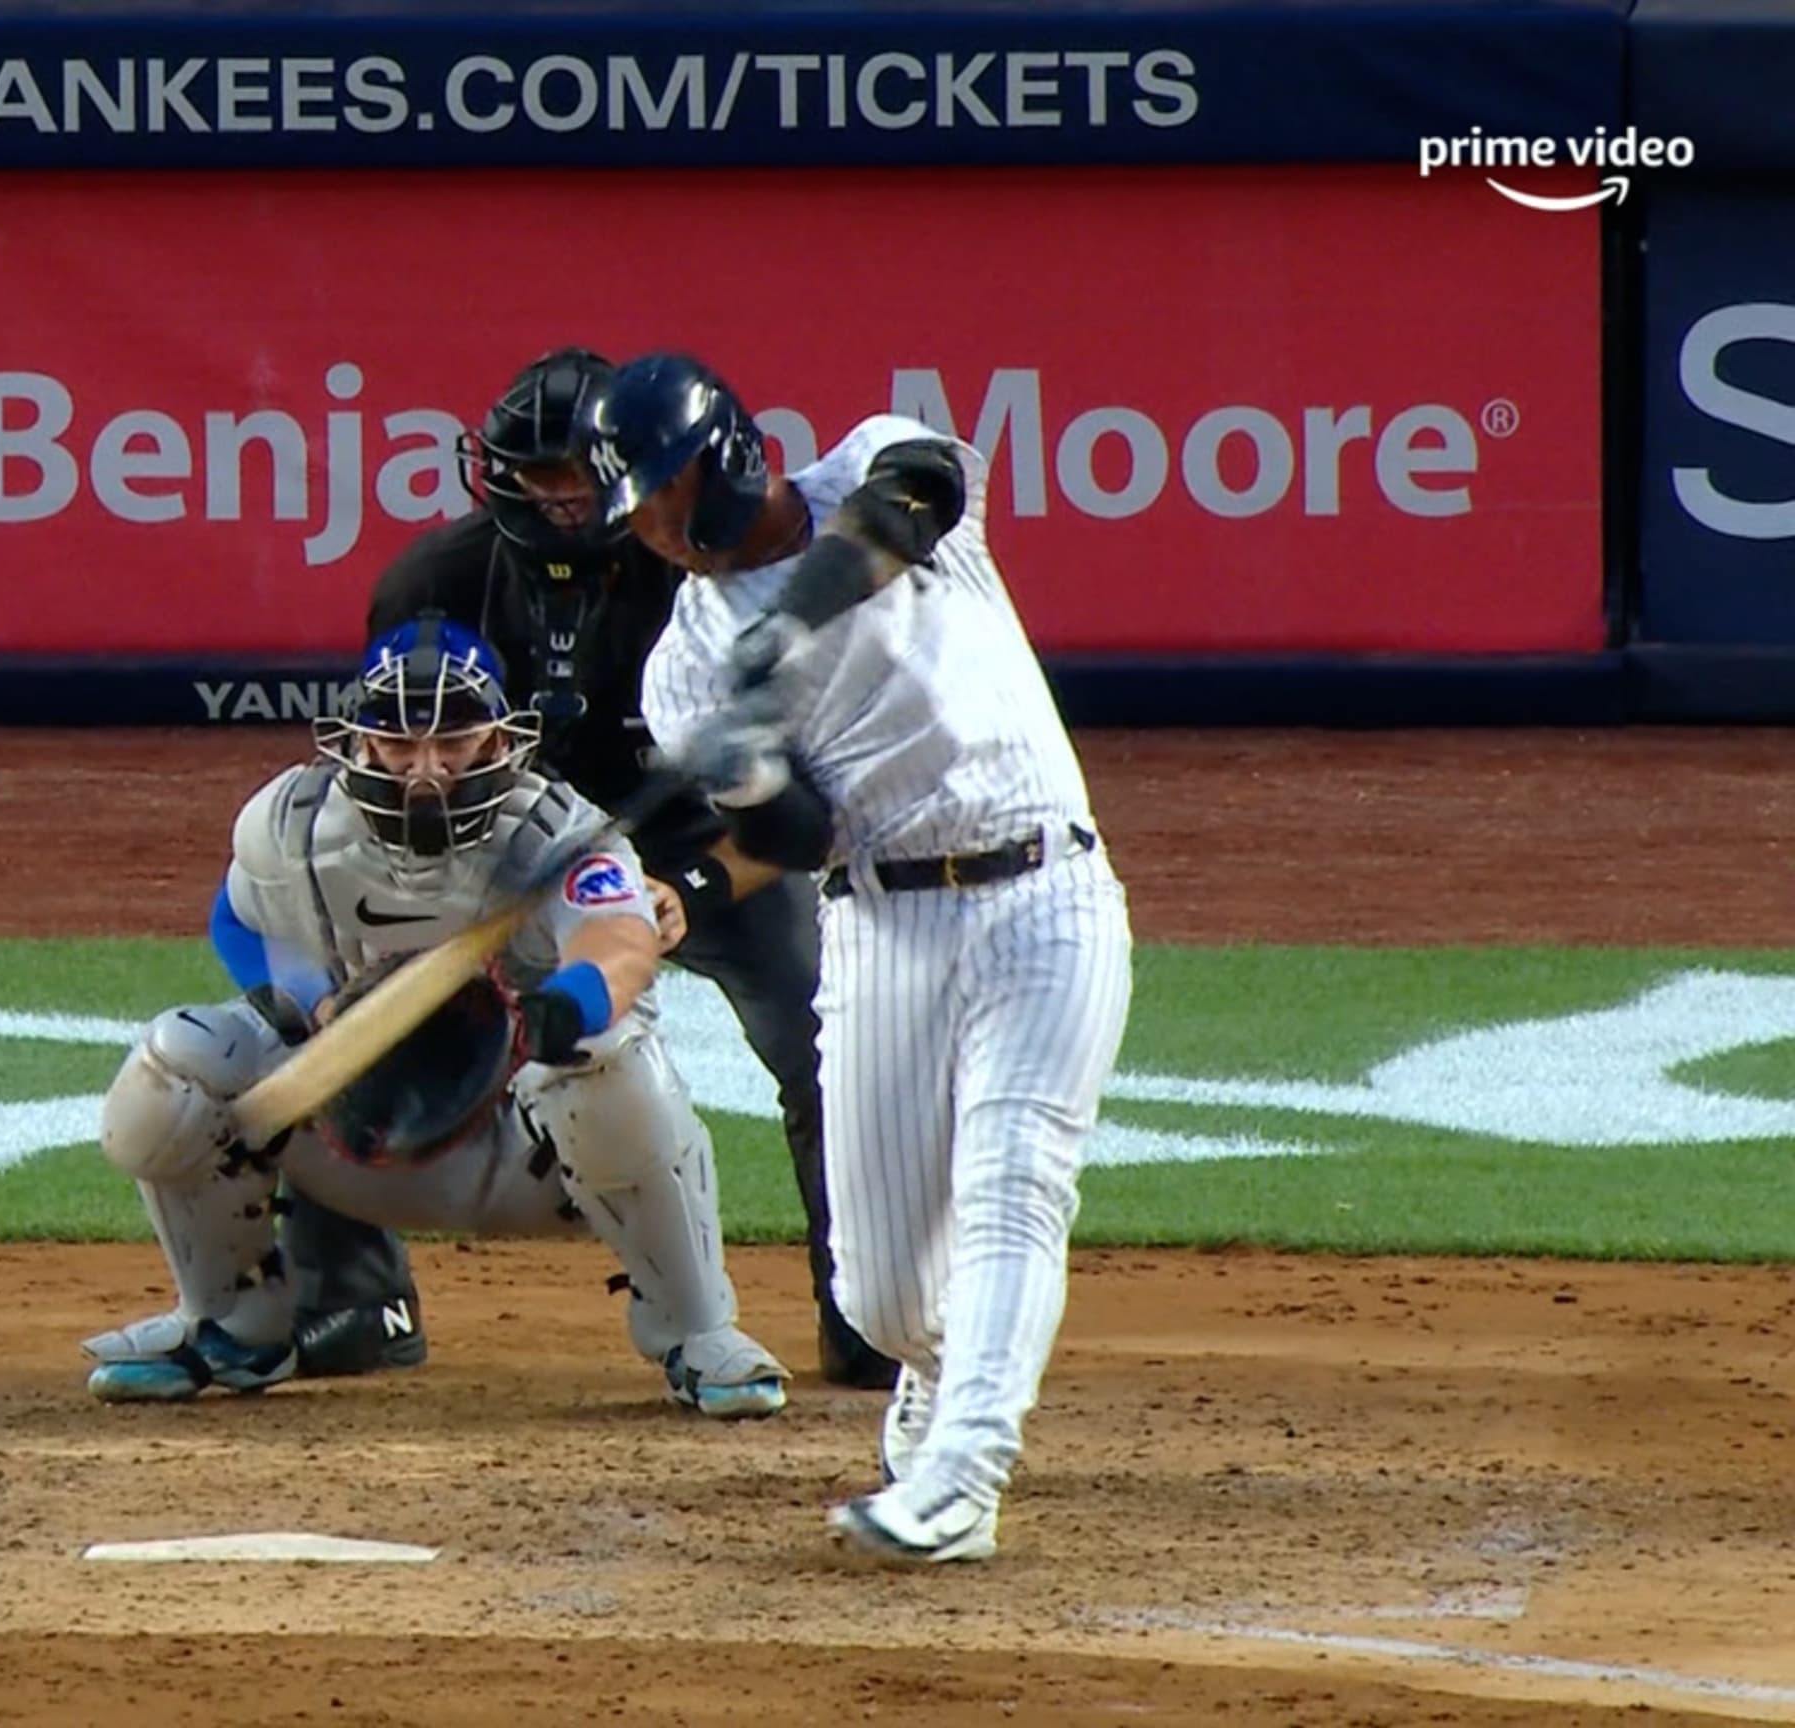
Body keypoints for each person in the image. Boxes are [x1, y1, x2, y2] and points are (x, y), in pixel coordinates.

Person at [250, 346, 900, 1391]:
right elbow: (394, 761)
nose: (557, 500)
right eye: (534, 476)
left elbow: (805, 814)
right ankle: (354, 1299)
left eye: (578, 479)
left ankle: (866, 1310)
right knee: (363, 1002)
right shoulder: (436, 583)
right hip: (510, 848)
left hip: (709, 841)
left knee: (822, 1032)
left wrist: (687, 893)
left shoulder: (707, 581)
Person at [584, 352, 1137, 1563]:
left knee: (1012, 1188)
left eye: (661, 498)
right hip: (881, 924)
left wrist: (789, 626)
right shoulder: (684, 667)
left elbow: (916, 495)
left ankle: (965, 1475)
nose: (656, 535)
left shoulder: (864, 466)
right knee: (880, 1292)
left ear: (718, 463)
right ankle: (939, 1385)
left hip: (1045, 891)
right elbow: (794, 840)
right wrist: (748, 763)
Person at [74, 614, 791, 1420]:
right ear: (358, 739)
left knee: (615, 1065)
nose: (428, 770)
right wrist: (318, 1008)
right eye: (400, 742)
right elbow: (237, 919)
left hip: (529, 1152)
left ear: (497, 739)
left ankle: (695, 1333)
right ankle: (231, 1326)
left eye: (453, 740)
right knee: (178, 1065)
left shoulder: (557, 832)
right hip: (354, 1131)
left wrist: (559, 1010)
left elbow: (621, 942)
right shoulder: (293, 824)